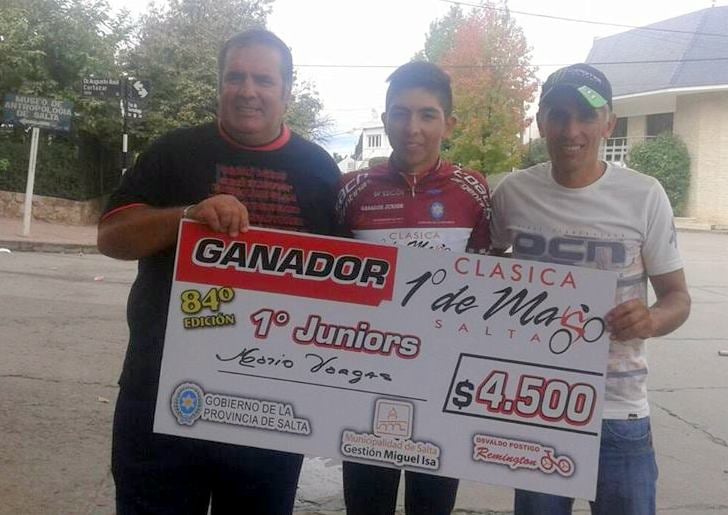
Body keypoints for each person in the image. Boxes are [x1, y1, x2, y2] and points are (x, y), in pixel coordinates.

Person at [97, 29, 341, 515]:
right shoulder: (173, 152)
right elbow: (112, 237)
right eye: (235, 77)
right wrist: (186, 216)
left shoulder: (319, 170)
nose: (248, 90)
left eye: (263, 80)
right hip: (159, 397)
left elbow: (348, 283)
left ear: (287, 91)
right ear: (220, 84)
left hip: (272, 408)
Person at [490, 63, 691, 515]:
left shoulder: (645, 195)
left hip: (619, 412)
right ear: (541, 122)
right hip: (536, 409)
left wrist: (651, 319)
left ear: (609, 123)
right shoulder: (512, 194)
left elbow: (678, 298)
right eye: (558, 115)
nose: (571, 130)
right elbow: (483, 266)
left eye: (586, 116)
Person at [335, 60, 492, 515]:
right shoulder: (350, 190)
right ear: (385, 119)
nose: (413, 128)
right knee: (367, 505)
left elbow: (485, 285)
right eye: (401, 114)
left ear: (449, 124)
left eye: (427, 115)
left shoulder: (474, 191)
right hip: (365, 380)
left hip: (444, 383)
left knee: (432, 506)